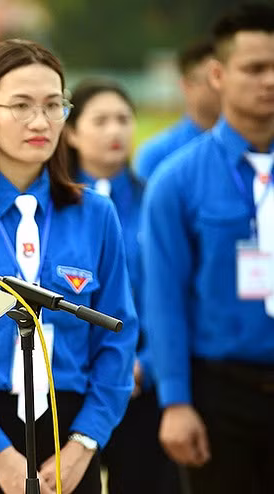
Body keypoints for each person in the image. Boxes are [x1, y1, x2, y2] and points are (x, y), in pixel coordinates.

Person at [0, 39, 139, 494]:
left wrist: (84, 442)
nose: (40, 122)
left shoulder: (96, 214)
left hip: (69, 436)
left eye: (54, 105)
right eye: (20, 105)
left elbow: (118, 337)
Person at [142, 4, 274, 494]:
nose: (269, 81)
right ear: (218, 74)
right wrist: (175, 401)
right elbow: (165, 299)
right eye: (256, 68)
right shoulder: (176, 180)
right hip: (219, 394)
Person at [64, 78, 182, 494]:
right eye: (101, 120)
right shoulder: (52, 206)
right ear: (72, 131)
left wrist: (145, 364)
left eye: (123, 119)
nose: (115, 131)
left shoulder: (158, 200)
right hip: (73, 383)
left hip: (142, 385)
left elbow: (174, 294)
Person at [134, 38, 220, 180]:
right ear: (186, 85)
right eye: (213, 79)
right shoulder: (157, 154)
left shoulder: (253, 147)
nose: (220, 87)